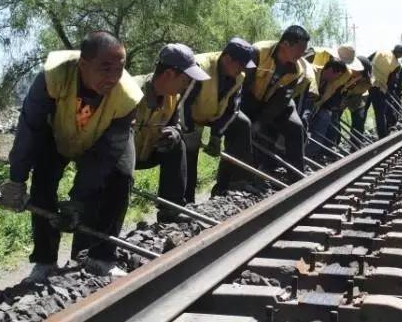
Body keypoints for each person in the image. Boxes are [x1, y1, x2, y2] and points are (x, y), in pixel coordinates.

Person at [0, 31, 144, 281]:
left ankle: (100, 257)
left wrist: (78, 198)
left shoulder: (127, 97)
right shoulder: (53, 76)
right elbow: (30, 128)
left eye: (119, 69)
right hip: (56, 133)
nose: (113, 77)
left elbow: (106, 155)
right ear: (83, 64)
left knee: (121, 176)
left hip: (101, 141)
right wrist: (16, 179)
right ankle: (44, 261)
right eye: (105, 68)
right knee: (43, 180)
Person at [133, 44, 210, 221]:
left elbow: (176, 124)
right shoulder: (132, 92)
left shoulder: (172, 97)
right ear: (169, 74)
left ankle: (171, 209)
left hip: (147, 152)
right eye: (185, 80)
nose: (186, 86)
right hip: (119, 159)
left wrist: (175, 132)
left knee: (178, 144)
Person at [181, 38, 257, 200]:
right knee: (189, 150)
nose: (244, 70)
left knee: (242, 124)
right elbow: (183, 104)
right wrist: (188, 131)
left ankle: (227, 185)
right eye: (241, 64)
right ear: (227, 59)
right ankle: (186, 200)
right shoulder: (201, 67)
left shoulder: (238, 76)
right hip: (190, 116)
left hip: (214, 113)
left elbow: (232, 110)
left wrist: (217, 135)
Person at [241, 25, 310, 182]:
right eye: (299, 50)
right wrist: (252, 119)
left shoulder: (296, 69)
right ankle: (241, 178)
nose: (301, 55)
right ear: (285, 44)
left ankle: (296, 177)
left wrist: (261, 122)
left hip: (275, 102)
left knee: (296, 127)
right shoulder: (257, 52)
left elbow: (281, 101)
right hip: (250, 99)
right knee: (243, 128)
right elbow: (243, 86)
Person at [369, 45, 402, 138]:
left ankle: (382, 132)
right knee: (380, 113)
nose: (401, 57)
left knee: (367, 110)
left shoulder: (380, 50)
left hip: (368, 84)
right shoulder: (397, 65)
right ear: (399, 53)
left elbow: (368, 61)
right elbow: (392, 81)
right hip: (380, 88)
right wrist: (389, 92)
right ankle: (382, 136)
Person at [341, 55, 373, 148]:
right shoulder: (345, 72)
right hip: (342, 95)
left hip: (357, 96)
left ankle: (356, 144)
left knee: (359, 118)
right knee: (335, 118)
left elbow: (368, 85)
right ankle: (333, 143)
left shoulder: (365, 76)